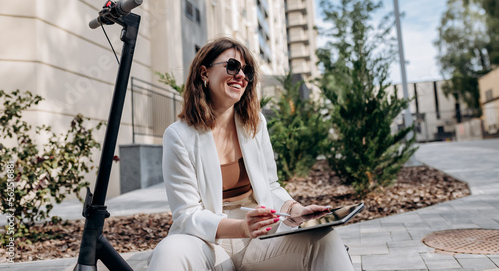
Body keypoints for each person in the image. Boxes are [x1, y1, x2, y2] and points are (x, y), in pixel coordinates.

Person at [148, 36, 354, 270]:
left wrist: (295, 210)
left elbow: (271, 185)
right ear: (204, 73)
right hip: (207, 241)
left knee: (324, 238)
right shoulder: (178, 135)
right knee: (169, 253)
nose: (241, 76)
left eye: (247, 71)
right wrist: (241, 228)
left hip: (258, 240)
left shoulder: (255, 124)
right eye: (232, 66)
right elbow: (186, 214)